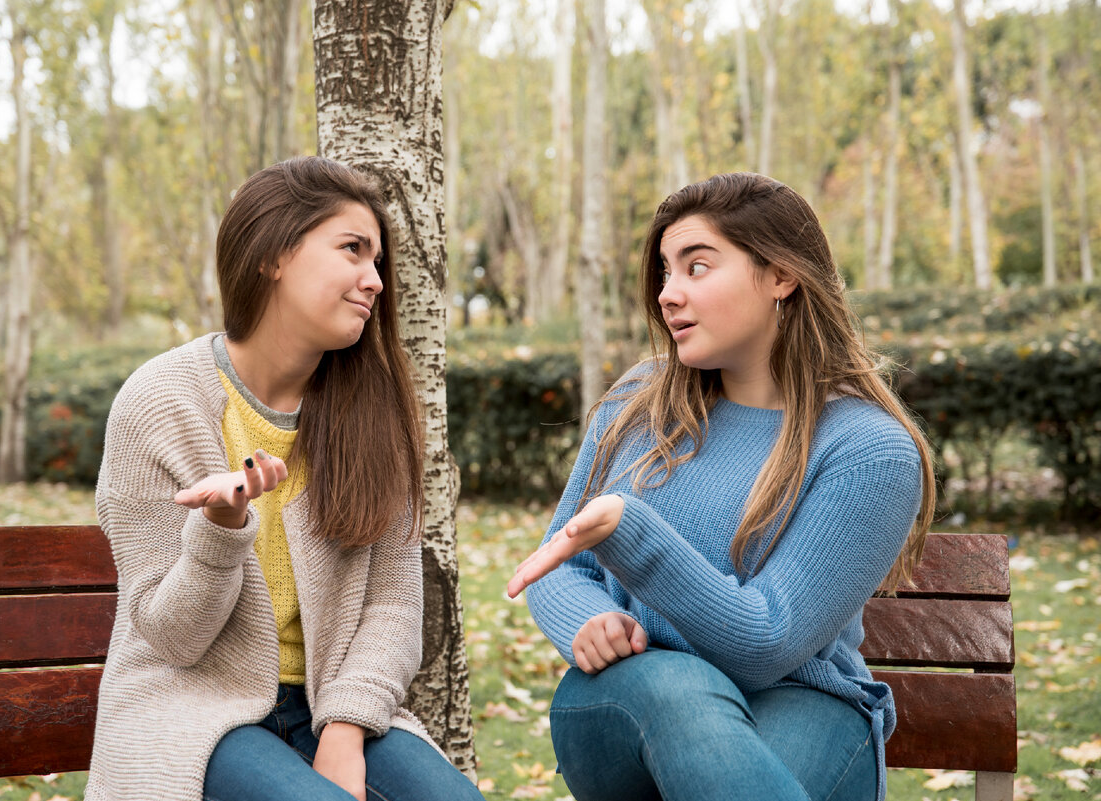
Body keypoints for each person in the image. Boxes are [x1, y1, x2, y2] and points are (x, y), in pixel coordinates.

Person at [507, 172, 935, 801]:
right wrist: (590, 619)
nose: (667, 295)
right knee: (675, 686)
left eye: (696, 267)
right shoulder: (636, 406)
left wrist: (633, 534)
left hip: (802, 704)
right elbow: (555, 561)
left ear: (781, 276)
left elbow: (767, 645)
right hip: (627, 697)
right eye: (664, 273)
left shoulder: (868, 449)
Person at [86, 156, 484, 801]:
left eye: (377, 261)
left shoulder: (372, 410)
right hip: (194, 710)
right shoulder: (160, 402)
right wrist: (220, 530)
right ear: (274, 253)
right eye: (352, 250)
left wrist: (347, 727)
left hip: (333, 703)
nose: (374, 280)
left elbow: (393, 607)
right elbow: (173, 639)